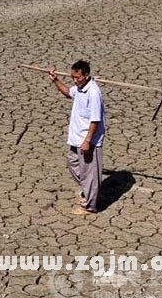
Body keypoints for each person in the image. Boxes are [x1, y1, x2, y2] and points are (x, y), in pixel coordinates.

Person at [48, 60, 106, 215]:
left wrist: (87, 141)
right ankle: (89, 191)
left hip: (88, 140)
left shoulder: (93, 93)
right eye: (72, 77)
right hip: (75, 138)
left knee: (90, 173)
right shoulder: (80, 88)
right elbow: (68, 92)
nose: (75, 80)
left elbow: (95, 120)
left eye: (78, 77)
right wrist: (55, 80)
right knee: (73, 164)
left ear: (86, 75)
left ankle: (89, 205)